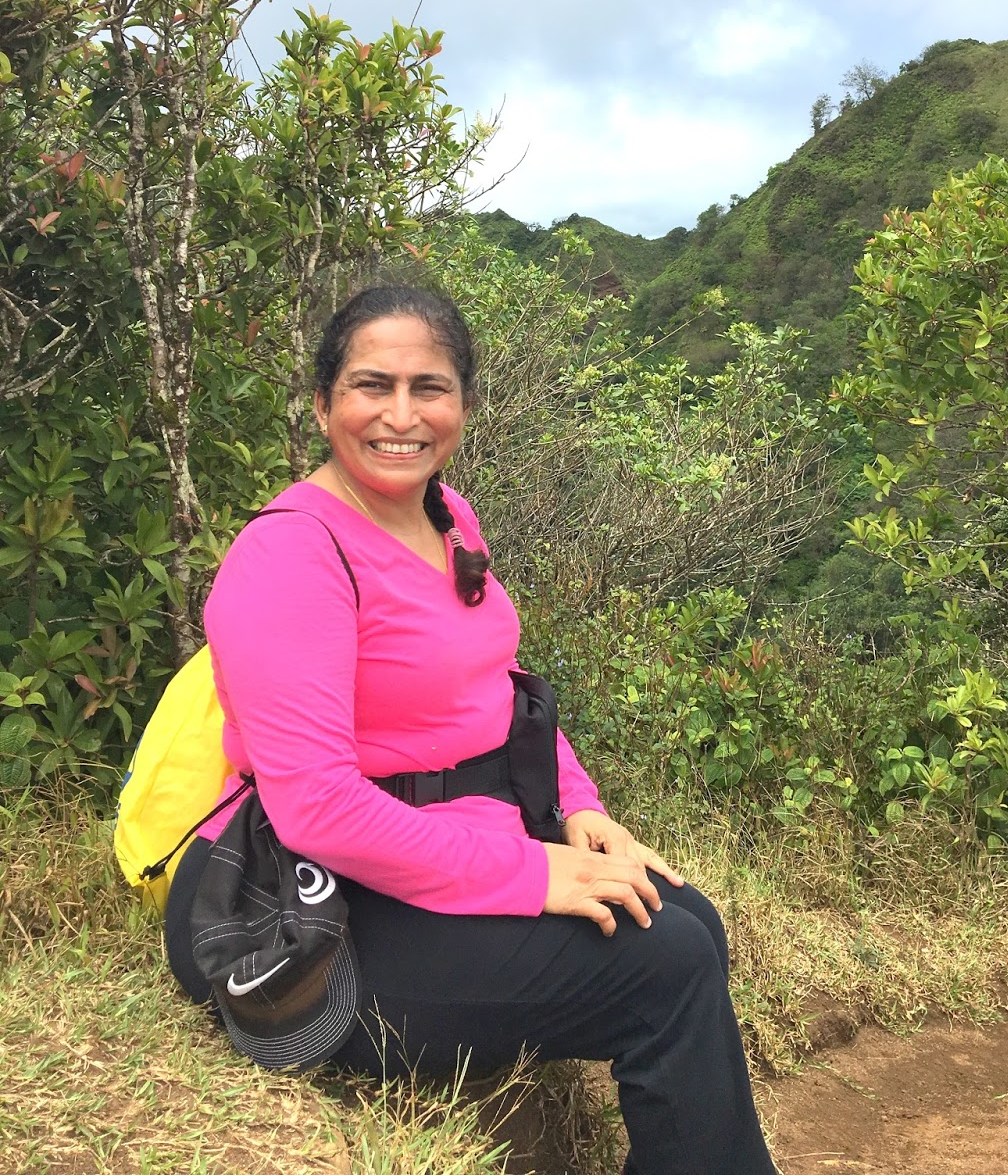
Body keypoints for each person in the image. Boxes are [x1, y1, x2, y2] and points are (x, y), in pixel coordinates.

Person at [164, 284, 778, 1175]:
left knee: (690, 921)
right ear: (323, 404)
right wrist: (531, 874)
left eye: (430, 388)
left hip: (420, 849)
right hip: (300, 905)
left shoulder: (442, 515)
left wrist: (577, 807)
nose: (401, 415)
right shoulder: (293, 555)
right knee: (669, 964)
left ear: (464, 404)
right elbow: (318, 809)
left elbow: (497, 685)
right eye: (372, 385)